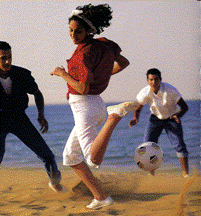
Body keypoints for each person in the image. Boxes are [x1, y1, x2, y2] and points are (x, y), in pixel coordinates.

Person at [50, 3, 131, 209]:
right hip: (93, 105)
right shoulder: (104, 44)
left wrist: (62, 73)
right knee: (70, 157)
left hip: (84, 106)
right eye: (70, 30)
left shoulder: (82, 55)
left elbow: (83, 88)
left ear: (88, 31)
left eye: (78, 31)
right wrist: (101, 76)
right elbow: (123, 63)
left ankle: (114, 118)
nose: (73, 35)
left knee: (93, 160)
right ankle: (101, 197)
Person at [0, 41, 65, 192]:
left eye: (9, 57)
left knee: (47, 155)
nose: (7, 61)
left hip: (19, 119)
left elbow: (37, 93)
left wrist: (41, 115)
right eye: (3, 58)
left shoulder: (22, 74)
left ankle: (55, 183)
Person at [129, 68, 189, 177]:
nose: (153, 82)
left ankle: (186, 174)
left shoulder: (170, 90)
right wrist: (135, 119)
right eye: (151, 79)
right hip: (155, 118)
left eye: (156, 79)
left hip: (171, 117)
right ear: (147, 80)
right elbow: (138, 109)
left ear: (160, 80)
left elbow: (185, 107)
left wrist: (178, 116)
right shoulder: (145, 92)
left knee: (179, 145)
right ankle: (151, 173)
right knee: (148, 145)